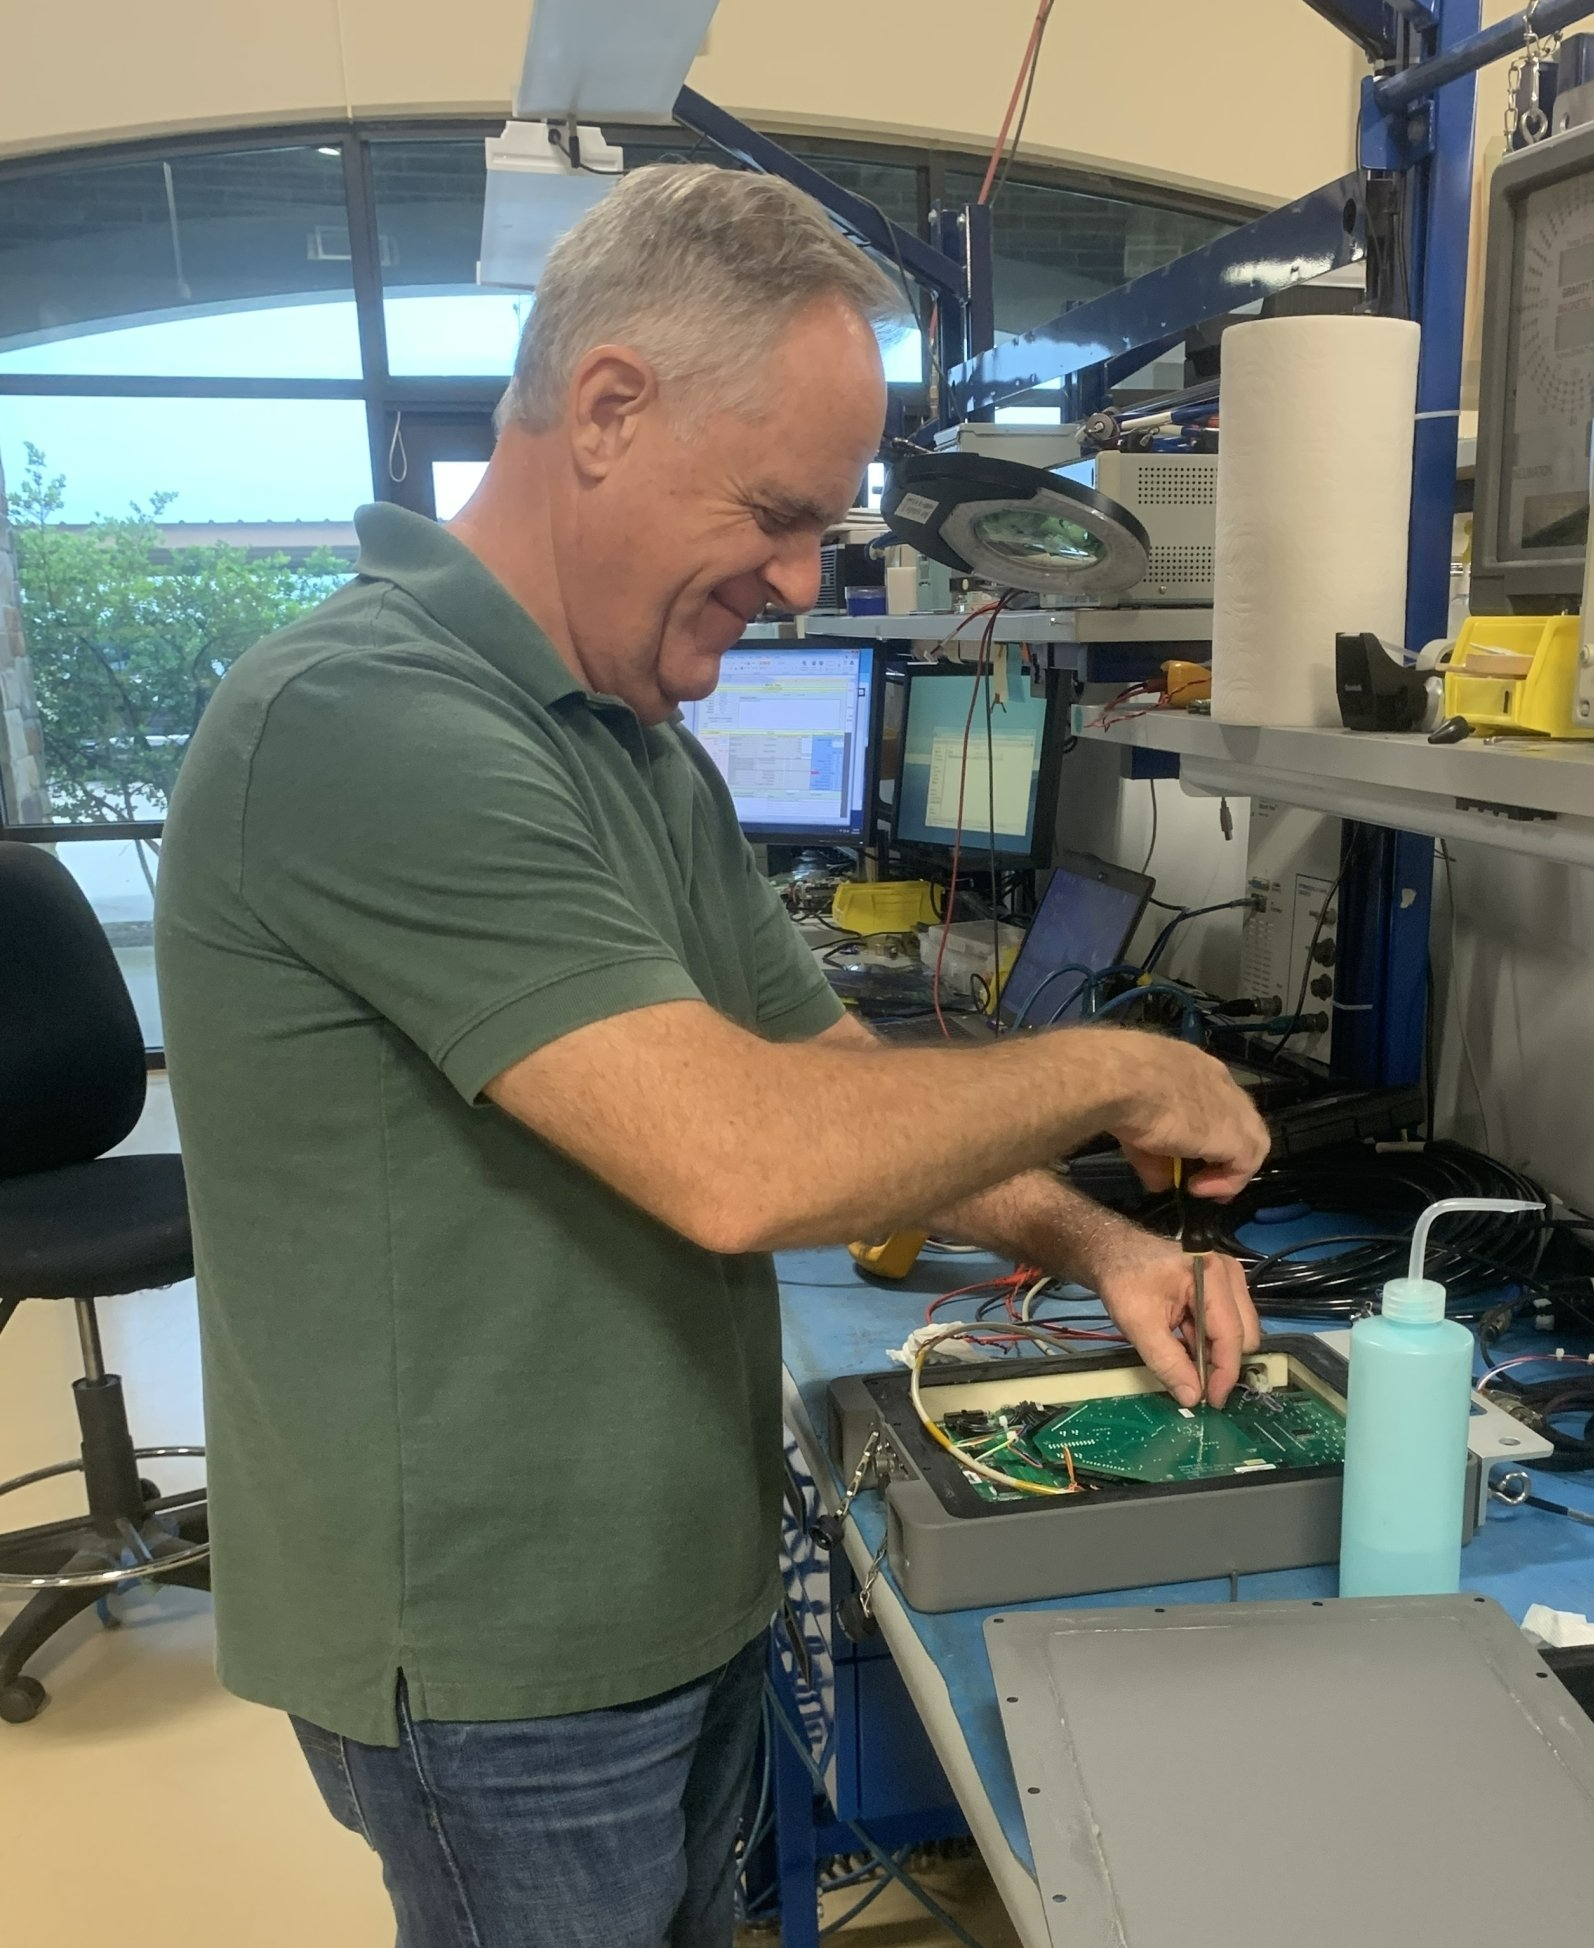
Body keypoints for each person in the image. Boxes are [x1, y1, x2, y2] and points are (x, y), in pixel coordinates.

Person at [154, 162, 1268, 1948]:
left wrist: (1107, 1245)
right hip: (494, 1658)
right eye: (776, 509)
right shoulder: (364, 719)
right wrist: (1123, 1069)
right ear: (608, 410)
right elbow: (743, 1162)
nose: (802, 575)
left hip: (672, 1599)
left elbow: (834, 1086)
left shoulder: (633, 749)